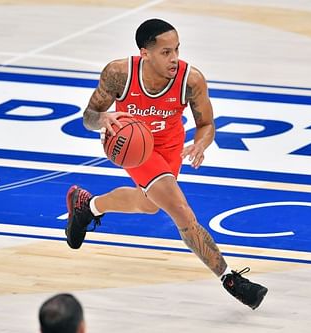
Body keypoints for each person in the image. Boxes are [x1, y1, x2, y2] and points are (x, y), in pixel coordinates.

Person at [65, 18, 268, 310]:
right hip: (136, 147)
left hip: (170, 145)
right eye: (165, 52)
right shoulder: (119, 73)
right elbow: (89, 116)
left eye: (177, 50)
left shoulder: (191, 79)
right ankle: (230, 278)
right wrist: (103, 119)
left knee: (149, 204)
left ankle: (88, 205)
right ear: (144, 53)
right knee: (180, 210)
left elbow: (207, 124)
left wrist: (201, 143)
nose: (174, 58)